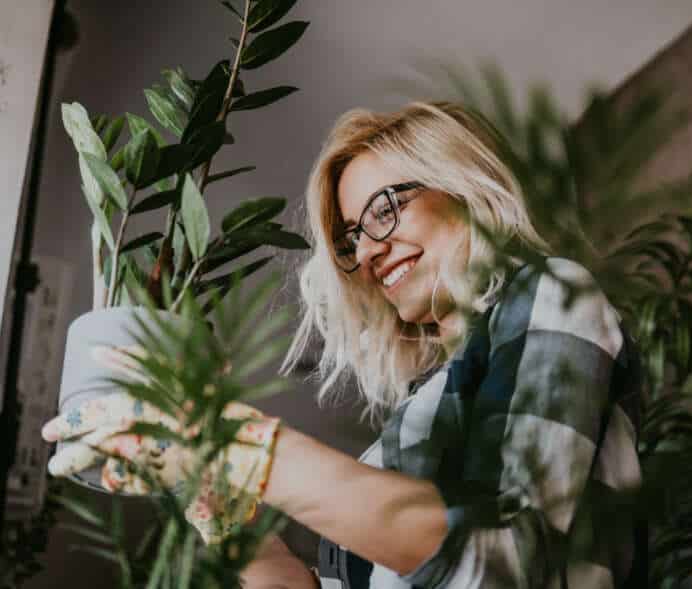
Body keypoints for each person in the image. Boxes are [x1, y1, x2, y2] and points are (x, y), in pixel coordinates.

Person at [43, 101, 643, 588]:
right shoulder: (416, 414)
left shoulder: (551, 292)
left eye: (386, 209)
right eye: (352, 237)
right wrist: (212, 495)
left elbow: (503, 565)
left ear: (465, 185)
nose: (369, 250)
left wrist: (232, 442)